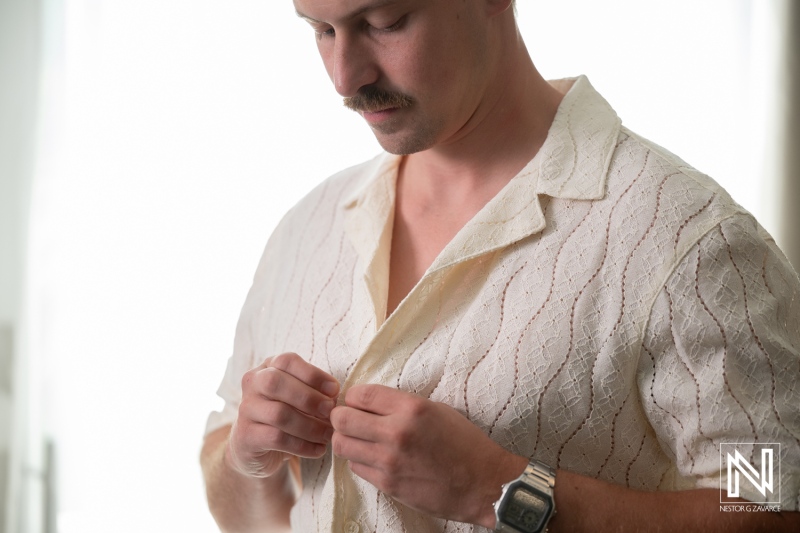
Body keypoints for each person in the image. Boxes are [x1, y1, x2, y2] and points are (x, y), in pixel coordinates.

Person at [200, 1, 800, 531]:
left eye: (385, 21)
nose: (344, 77)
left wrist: (499, 490)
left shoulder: (689, 240)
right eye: (322, 31)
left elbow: (774, 505)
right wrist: (245, 461)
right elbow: (247, 512)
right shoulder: (308, 229)